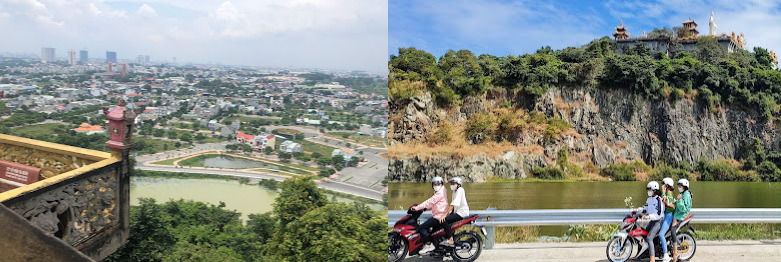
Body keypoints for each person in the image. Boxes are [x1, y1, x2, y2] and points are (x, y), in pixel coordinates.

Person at [412, 176, 448, 254]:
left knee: (421, 228)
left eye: (438, 183)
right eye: (434, 184)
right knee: (432, 232)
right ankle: (436, 247)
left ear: (441, 184)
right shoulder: (441, 191)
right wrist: (425, 209)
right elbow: (435, 204)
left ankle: (429, 244)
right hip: (439, 214)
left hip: (438, 216)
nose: (436, 185)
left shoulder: (440, 193)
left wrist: (417, 208)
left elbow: (430, 201)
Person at [636, 181, 664, 262]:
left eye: (650, 190)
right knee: (643, 234)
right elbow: (646, 208)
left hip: (658, 221)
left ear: (654, 190)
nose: (648, 192)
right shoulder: (649, 199)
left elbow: (658, 214)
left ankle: (652, 258)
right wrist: (637, 210)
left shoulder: (659, 200)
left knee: (649, 237)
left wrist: (648, 216)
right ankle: (642, 254)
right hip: (652, 220)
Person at [440, 177, 469, 246]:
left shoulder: (460, 190)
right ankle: (448, 238)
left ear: (458, 184)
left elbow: (453, 204)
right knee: (447, 222)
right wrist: (449, 213)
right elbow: (454, 206)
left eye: (453, 183)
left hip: (462, 213)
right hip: (457, 212)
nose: (451, 185)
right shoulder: (454, 192)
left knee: (444, 220)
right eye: (451, 183)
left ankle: (450, 239)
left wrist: (445, 214)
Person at [672, 178, 692, 262]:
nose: (679, 187)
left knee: (673, 230)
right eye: (679, 186)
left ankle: (675, 252)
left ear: (684, 187)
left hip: (681, 216)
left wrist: (679, 201)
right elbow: (678, 204)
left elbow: (684, 209)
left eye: (680, 186)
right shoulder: (682, 194)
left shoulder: (686, 195)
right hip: (677, 215)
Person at [658, 178, 676, 262]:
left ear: (667, 186)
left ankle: (666, 255)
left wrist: (663, 191)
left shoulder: (669, 193)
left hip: (668, 216)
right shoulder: (667, 193)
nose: (662, 186)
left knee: (661, 234)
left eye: (664, 185)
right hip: (664, 215)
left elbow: (666, 201)